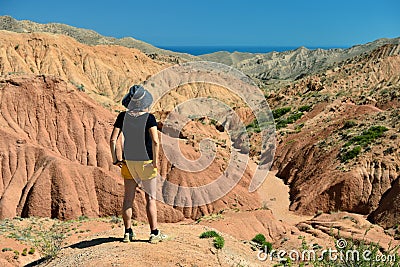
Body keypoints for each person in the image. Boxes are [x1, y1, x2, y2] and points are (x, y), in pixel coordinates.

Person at [110, 84, 167, 243]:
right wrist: (155, 162)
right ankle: (154, 234)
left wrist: (116, 159)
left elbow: (113, 139)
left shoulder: (122, 117)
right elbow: (155, 141)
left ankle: (127, 233)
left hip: (129, 162)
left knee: (128, 199)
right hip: (146, 163)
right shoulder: (149, 118)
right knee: (150, 199)